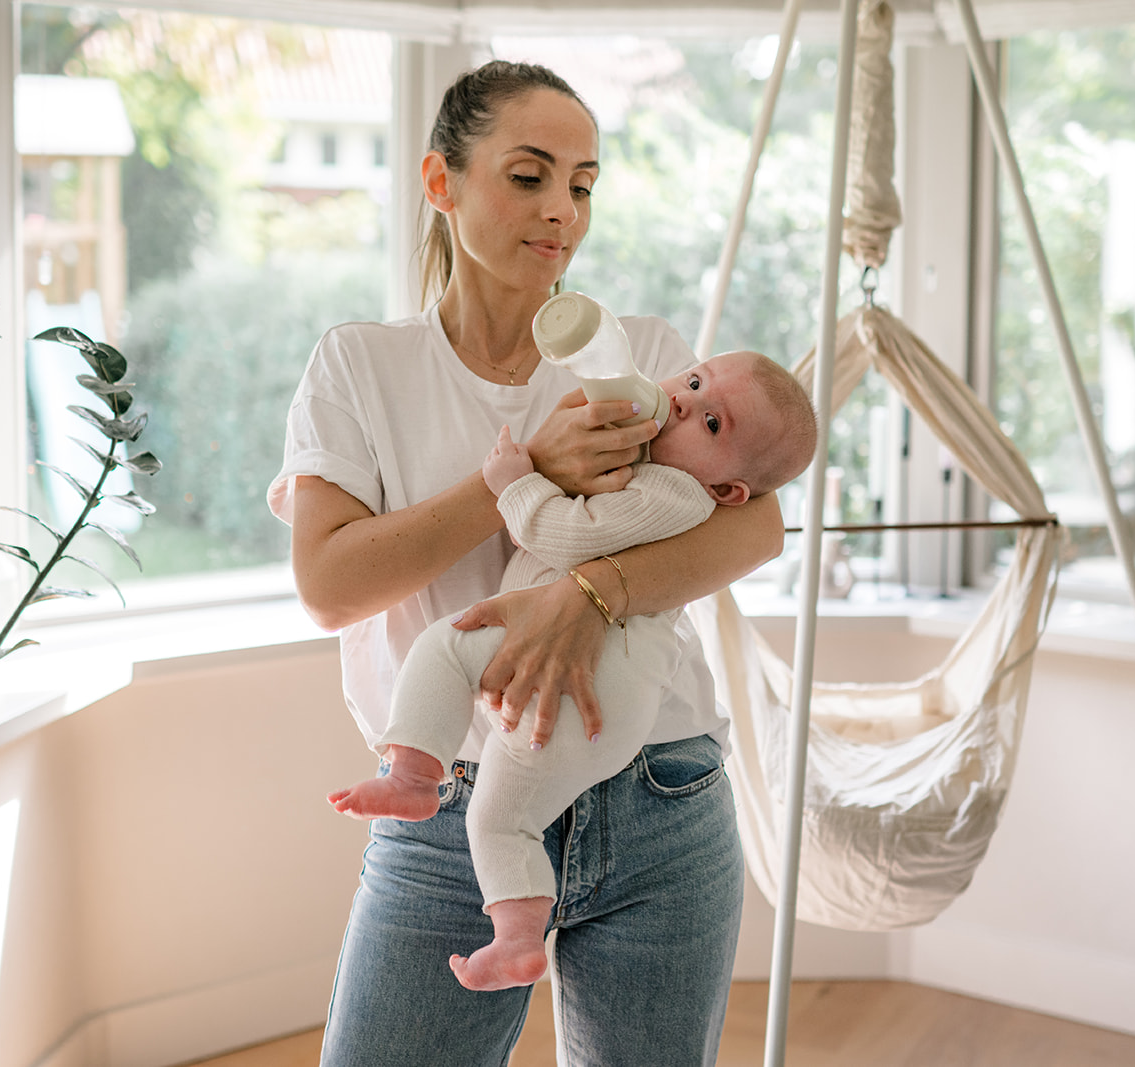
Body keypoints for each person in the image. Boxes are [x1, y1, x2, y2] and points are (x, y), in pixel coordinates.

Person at [268, 60, 789, 1066]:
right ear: (440, 182)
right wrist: (523, 469)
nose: (562, 211)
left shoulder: (640, 354)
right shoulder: (362, 364)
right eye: (528, 176)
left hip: (661, 792)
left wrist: (591, 595)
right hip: (452, 801)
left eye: (583, 184)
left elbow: (751, 528)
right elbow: (331, 586)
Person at [328, 349, 816, 993]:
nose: (683, 401)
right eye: (693, 382)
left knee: (470, 728)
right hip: (566, 671)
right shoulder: (648, 460)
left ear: (727, 491)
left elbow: (566, 536)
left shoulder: (673, 495)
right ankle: (484, 884)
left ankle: (433, 801)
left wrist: (514, 482)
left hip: (598, 693)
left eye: (712, 423)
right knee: (486, 774)